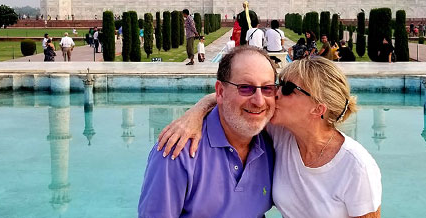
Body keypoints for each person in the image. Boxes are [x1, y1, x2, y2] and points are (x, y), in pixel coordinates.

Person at [156, 55, 382, 218]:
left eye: (287, 88)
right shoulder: (282, 136)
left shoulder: (356, 167)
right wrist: (195, 112)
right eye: (278, 84)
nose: (274, 94)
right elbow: (236, 97)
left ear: (317, 109)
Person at [138, 46, 278, 217]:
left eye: (267, 88)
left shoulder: (274, 141)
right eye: (245, 88)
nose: (259, 101)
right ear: (220, 91)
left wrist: (201, 106)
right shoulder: (177, 152)